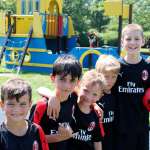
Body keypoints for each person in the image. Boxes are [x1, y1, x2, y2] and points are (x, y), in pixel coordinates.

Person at [29, 54, 82, 150]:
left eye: (72, 80)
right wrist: (59, 137)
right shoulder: (42, 106)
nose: (67, 85)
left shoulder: (74, 97)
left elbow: (86, 96)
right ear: (53, 78)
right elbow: (30, 137)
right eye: (62, 79)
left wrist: (95, 106)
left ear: (78, 82)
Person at [112, 24, 150, 150]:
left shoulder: (148, 68)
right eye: (128, 39)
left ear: (143, 41)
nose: (132, 42)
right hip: (119, 130)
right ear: (122, 41)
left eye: (137, 39)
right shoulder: (114, 68)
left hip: (141, 130)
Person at [0, 78, 49, 150]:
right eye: (11, 104)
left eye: (22, 104)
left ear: (30, 104)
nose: (17, 109)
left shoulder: (37, 131)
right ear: (2, 105)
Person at [69, 69, 104, 150]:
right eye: (85, 90)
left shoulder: (96, 114)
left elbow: (97, 141)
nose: (88, 97)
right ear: (78, 86)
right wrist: (53, 98)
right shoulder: (71, 101)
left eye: (94, 94)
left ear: (100, 96)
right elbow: (42, 90)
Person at [95, 54, 120, 150]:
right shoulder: (92, 94)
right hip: (95, 142)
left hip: (111, 141)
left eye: (114, 77)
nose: (110, 81)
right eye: (106, 76)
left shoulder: (116, 93)